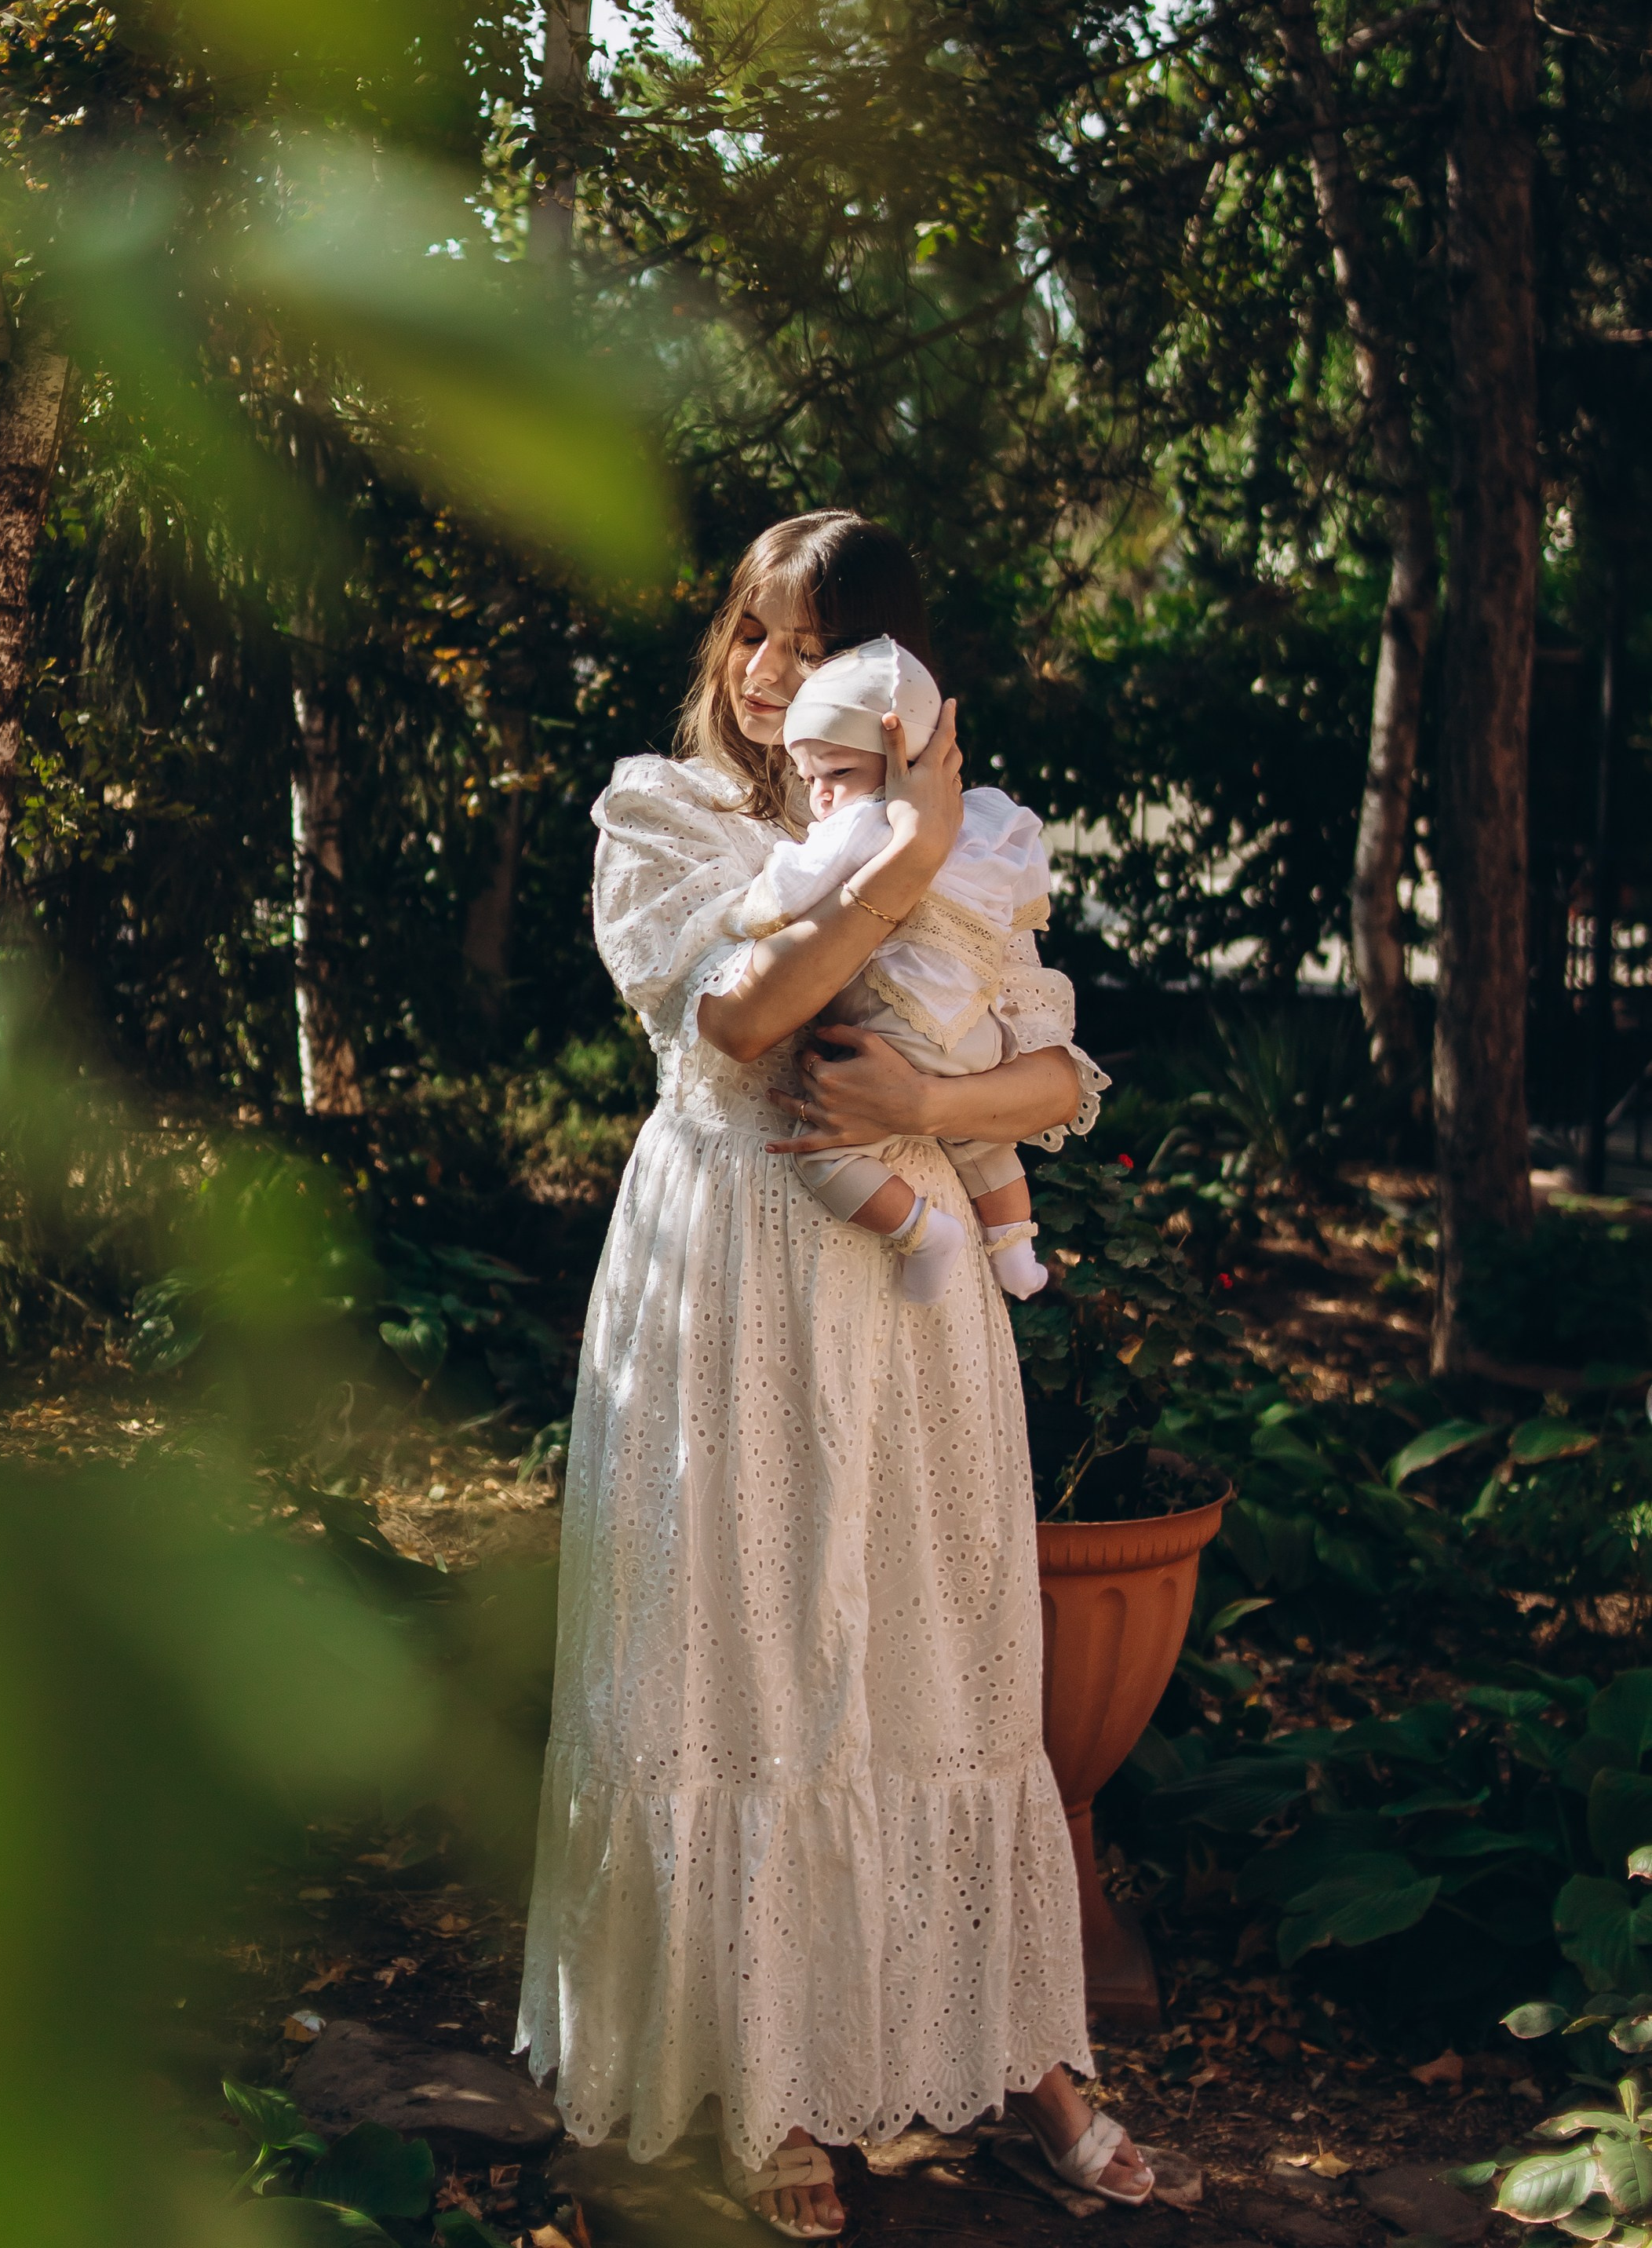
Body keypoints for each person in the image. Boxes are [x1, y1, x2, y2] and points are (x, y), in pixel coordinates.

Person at [516, 511, 1154, 2239]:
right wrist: (905, 842)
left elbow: (1052, 1072)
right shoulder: (670, 818)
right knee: (742, 1638)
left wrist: (930, 1110)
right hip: (726, 1265)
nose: (770, 672)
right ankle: (769, 2070)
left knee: (931, 1639)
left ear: (890, 673)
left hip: (904, 1277)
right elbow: (740, 1019)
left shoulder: (963, 850)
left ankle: (1023, 2055)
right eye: (751, 633)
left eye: (810, 643)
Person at [735, 630, 1074, 1306]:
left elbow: (786, 892)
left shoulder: (867, 825)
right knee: (978, 1139)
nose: (823, 797)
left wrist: (753, 905)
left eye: (836, 773)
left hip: (896, 1041)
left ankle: (925, 1234)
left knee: (823, 1154)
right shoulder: (975, 821)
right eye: (811, 780)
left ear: (898, 764)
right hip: (980, 1041)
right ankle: (1015, 1250)